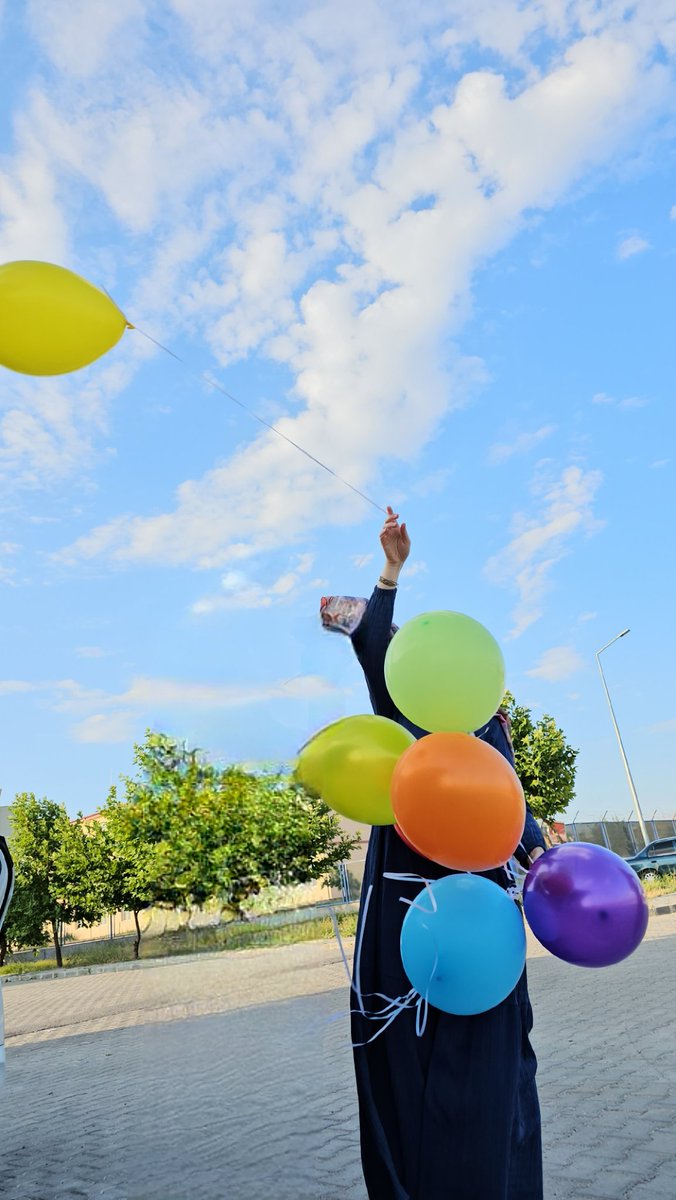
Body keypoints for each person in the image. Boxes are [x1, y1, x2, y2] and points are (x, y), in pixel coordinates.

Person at [348, 506, 545, 1200]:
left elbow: (515, 815)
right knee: (419, 1085)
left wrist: (544, 860)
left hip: (485, 932)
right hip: (415, 931)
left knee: (498, 1085)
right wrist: (392, 570)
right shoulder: (404, 723)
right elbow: (374, 646)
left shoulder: (492, 728)